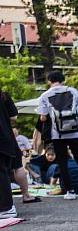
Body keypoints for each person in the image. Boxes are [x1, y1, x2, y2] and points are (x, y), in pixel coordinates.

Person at [37, 70, 78, 199]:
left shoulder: (45, 95)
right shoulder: (73, 91)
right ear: (63, 80)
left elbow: (43, 118)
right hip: (75, 132)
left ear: (49, 81)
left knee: (62, 162)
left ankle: (70, 191)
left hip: (58, 134)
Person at [0, 88, 19, 218]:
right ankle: (6, 206)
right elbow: (14, 116)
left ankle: (7, 207)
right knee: (3, 171)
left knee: (1, 173)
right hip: (6, 137)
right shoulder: (4, 95)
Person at [11, 127, 41, 204]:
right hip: (14, 157)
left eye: (15, 129)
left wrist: (27, 158)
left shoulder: (21, 138)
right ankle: (28, 172)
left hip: (23, 156)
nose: (14, 130)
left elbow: (28, 150)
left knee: (23, 160)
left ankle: (31, 174)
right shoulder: (9, 138)